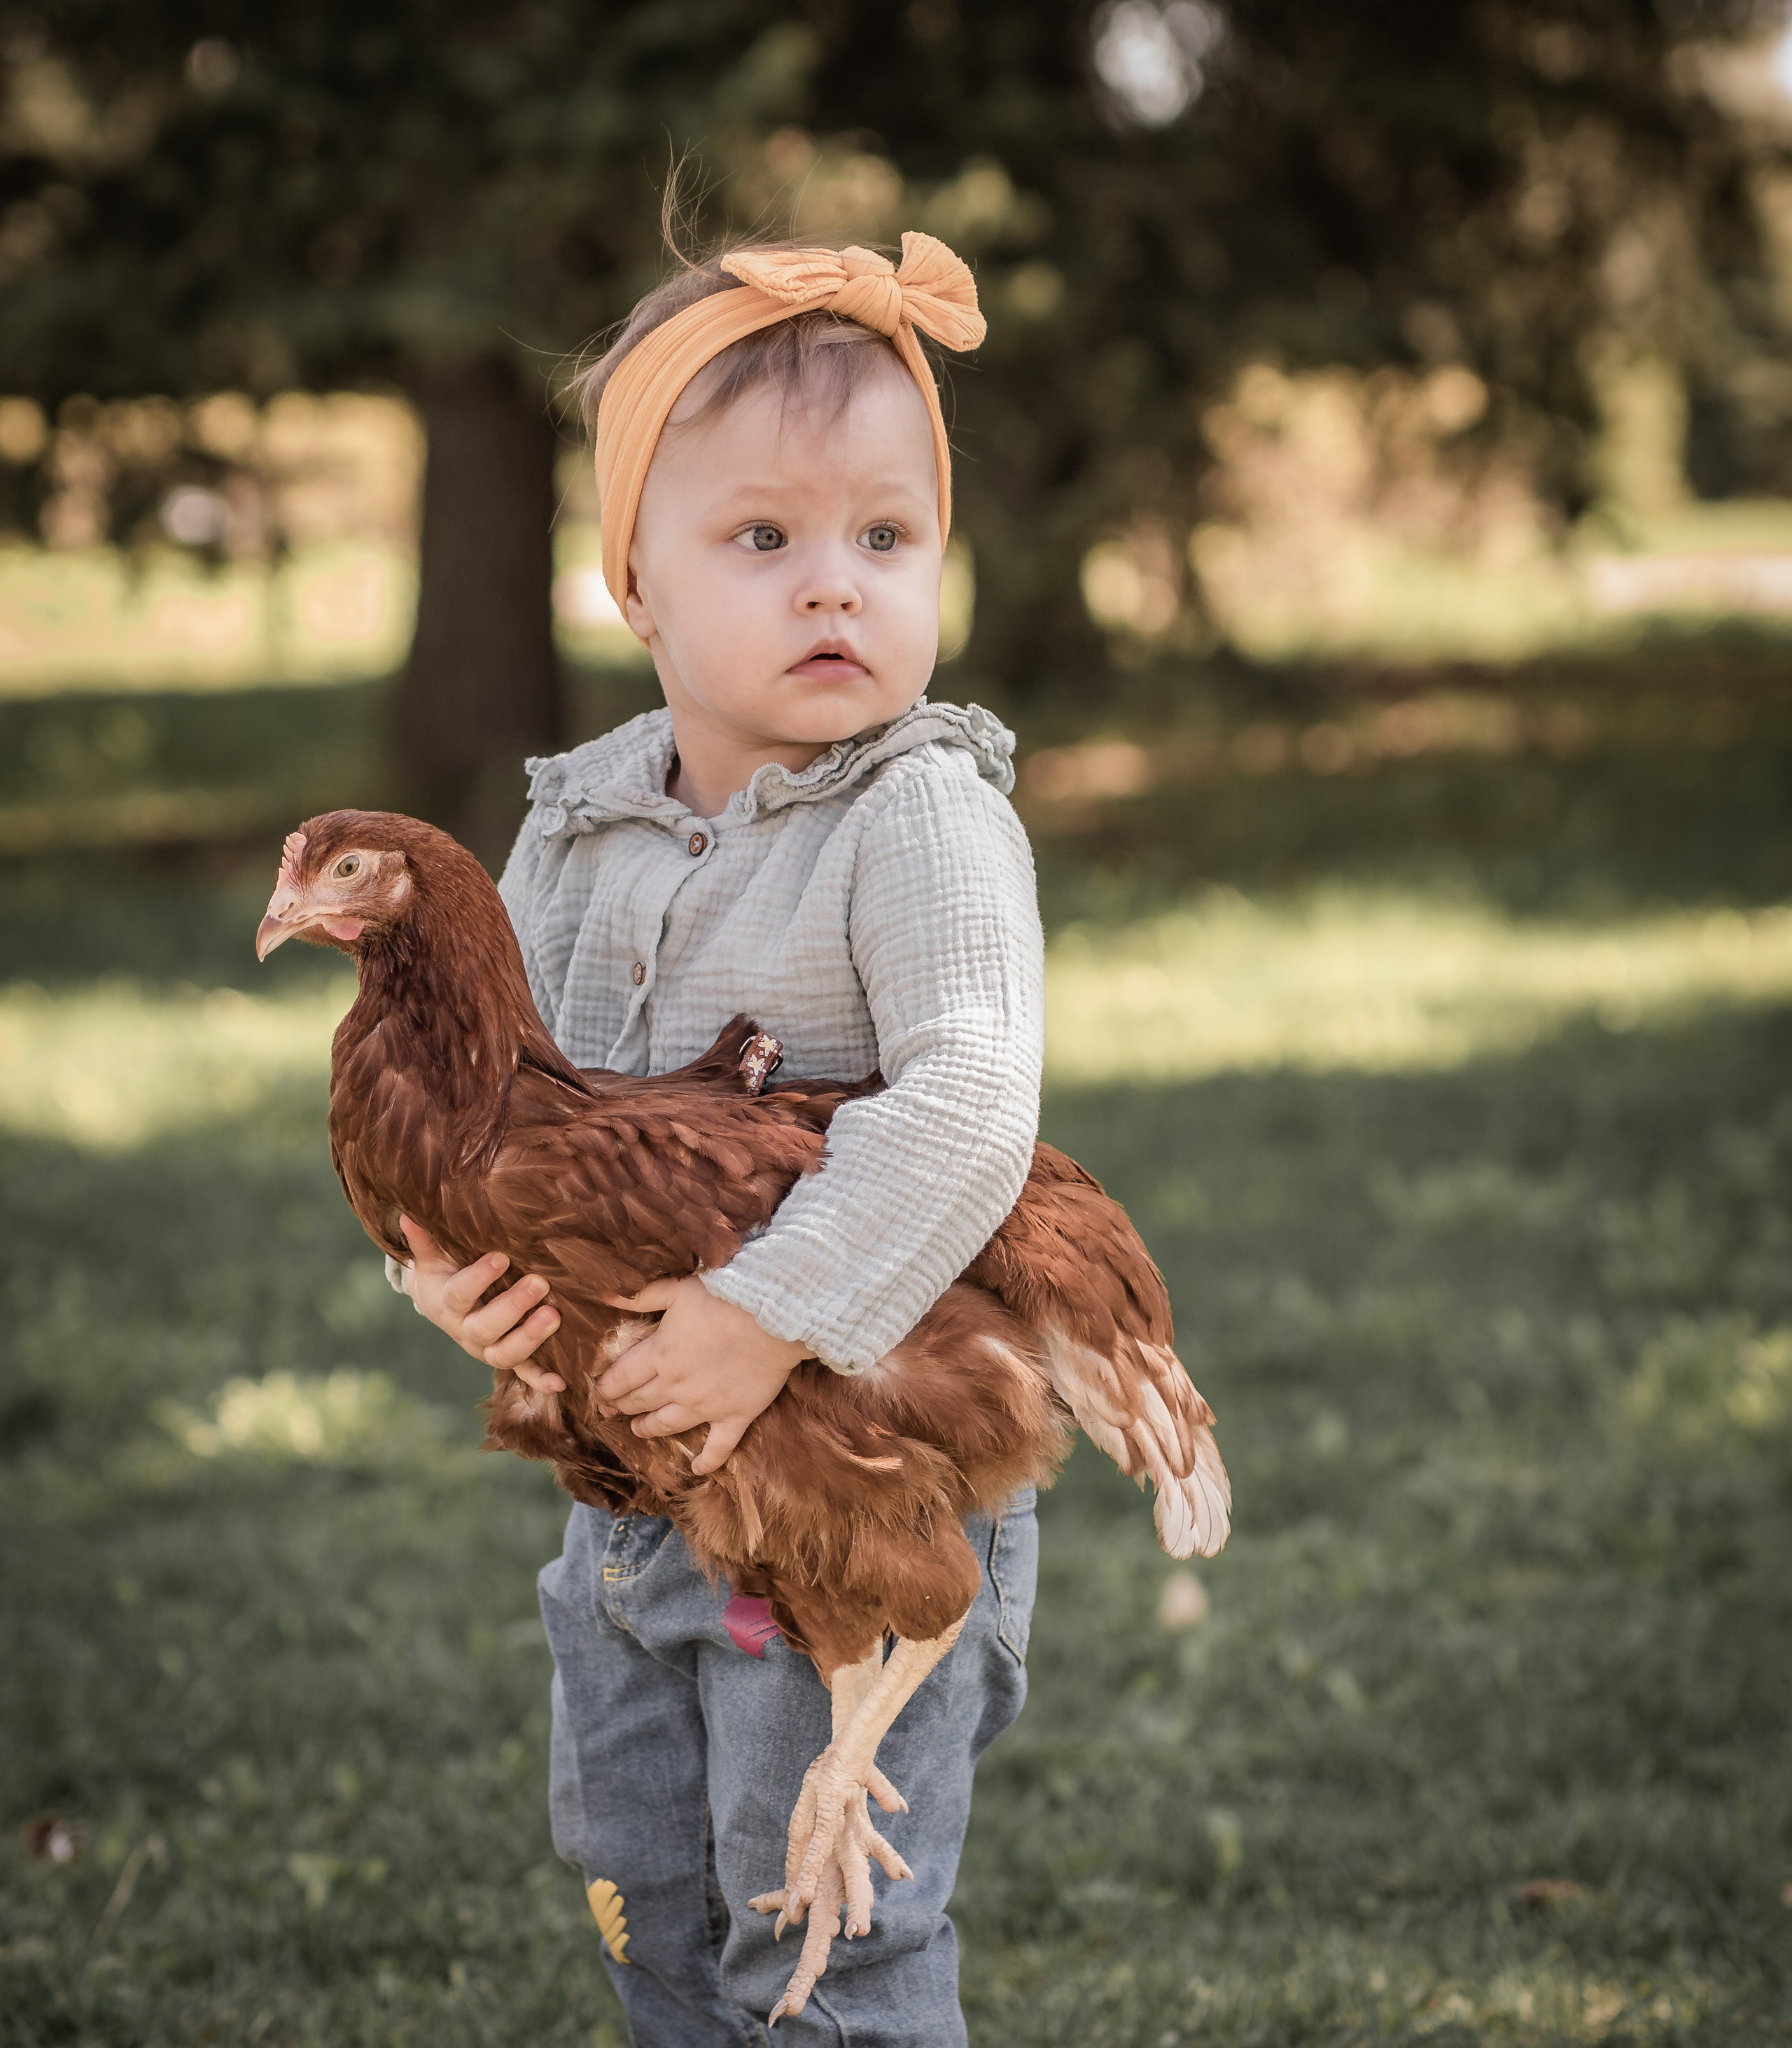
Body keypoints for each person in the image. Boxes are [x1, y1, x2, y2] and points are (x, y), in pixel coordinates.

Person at [389, 231, 1044, 2046]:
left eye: (886, 539)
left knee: (820, 1936)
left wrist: (774, 1312)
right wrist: (454, 1278)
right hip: (630, 1491)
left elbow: (975, 1095)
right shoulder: (577, 833)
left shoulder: (919, 820)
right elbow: (477, 1100)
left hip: (857, 1492)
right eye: (764, 540)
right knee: (643, 1890)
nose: (835, 587)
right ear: (638, 589)